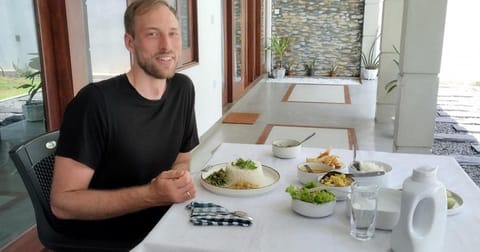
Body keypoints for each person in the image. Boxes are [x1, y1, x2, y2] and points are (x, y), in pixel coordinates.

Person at [50, 0, 199, 250]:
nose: (167, 46)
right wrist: (151, 195)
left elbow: (182, 158)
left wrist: (178, 180)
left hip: (163, 220)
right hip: (109, 237)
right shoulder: (94, 103)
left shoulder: (182, 89)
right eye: (152, 34)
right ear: (130, 42)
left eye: (173, 34)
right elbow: (62, 204)